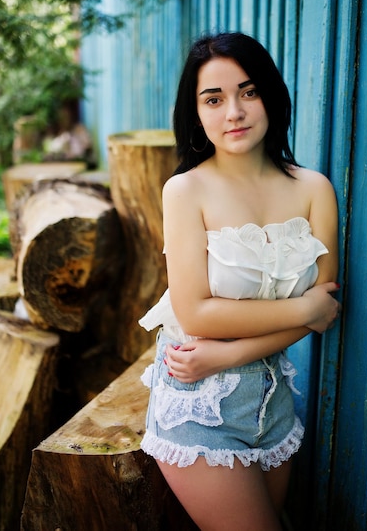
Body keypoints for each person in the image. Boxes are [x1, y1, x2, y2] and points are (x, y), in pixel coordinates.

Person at [139, 32, 340, 531]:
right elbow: (197, 313)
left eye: (248, 92)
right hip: (198, 399)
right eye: (214, 99)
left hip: (274, 400)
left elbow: (328, 304)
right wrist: (302, 311)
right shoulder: (185, 191)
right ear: (196, 112)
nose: (235, 111)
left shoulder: (314, 189)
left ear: (271, 95)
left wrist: (228, 352)